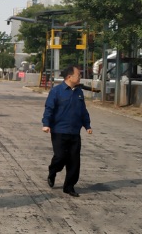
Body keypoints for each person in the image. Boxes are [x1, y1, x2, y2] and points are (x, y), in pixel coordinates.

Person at [41, 64, 92, 197]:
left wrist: (87, 125)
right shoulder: (56, 91)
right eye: (78, 75)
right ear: (70, 77)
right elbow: (49, 108)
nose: (80, 77)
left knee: (74, 161)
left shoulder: (79, 92)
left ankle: (69, 187)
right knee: (60, 157)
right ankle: (53, 171)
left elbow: (83, 110)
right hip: (59, 130)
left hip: (74, 132)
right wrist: (46, 124)